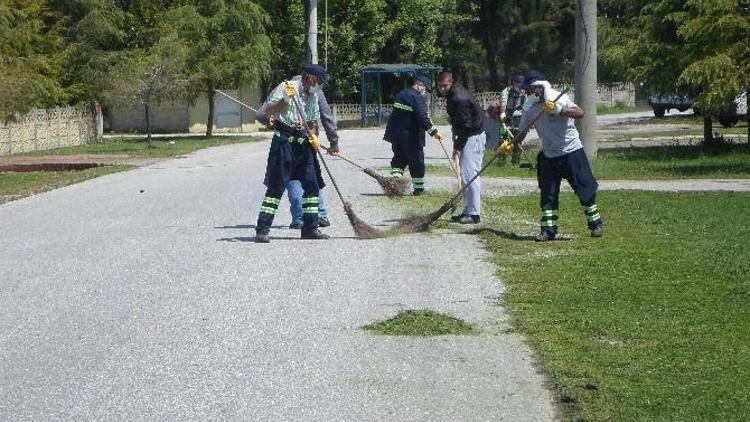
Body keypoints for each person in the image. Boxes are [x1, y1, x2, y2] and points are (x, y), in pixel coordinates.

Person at [510, 71, 603, 241]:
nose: (526, 93)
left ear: (538, 87)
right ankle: (548, 230)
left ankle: (596, 224)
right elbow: (522, 131)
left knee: (584, 189)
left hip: (571, 151)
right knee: (548, 194)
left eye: (528, 89)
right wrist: (510, 145)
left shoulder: (556, 97)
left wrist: (560, 110)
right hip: (549, 155)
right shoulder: (529, 107)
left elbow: (580, 113)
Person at [252, 64, 330, 243]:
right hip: (284, 142)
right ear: (309, 77)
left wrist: (314, 136)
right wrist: (284, 100)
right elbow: (268, 112)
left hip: (304, 144)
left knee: (312, 185)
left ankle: (310, 228)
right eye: (317, 81)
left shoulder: (313, 96)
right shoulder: (286, 87)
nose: (319, 85)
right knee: (276, 186)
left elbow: (313, 122)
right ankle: (262, 229)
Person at [285, 69, 340, 230]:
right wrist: (334, 142)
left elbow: (269, 114)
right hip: (307, 139)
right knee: (312, 176)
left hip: (288, 141)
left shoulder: (287, 87)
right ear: (312, 78)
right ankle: (320, 215)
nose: (318, 85)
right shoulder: (314, 90)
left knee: (294, 177)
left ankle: (300, 218)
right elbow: (327, 116)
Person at [437, 71, 486, 224]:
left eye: (445, 86)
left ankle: (474, 213)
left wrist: (457, 147)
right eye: (440, 86)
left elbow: (467, 126)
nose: (442, 89)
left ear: (451, 83)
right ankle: (468, 210)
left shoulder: (458, 97)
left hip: (473, 136)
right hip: (467, 135)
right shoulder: (452, 95)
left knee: (470, 175)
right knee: (465, 175)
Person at [383, 75, 444, 195]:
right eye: (425, 88)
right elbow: (422, 117)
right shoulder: (416, 97)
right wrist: (434, 132)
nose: (424, 91)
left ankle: (394, 184)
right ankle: (419, 190)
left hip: (397, 136)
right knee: (417, 162)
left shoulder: (401, 94)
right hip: (411, 137)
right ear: (419, 85)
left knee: (399, 160)